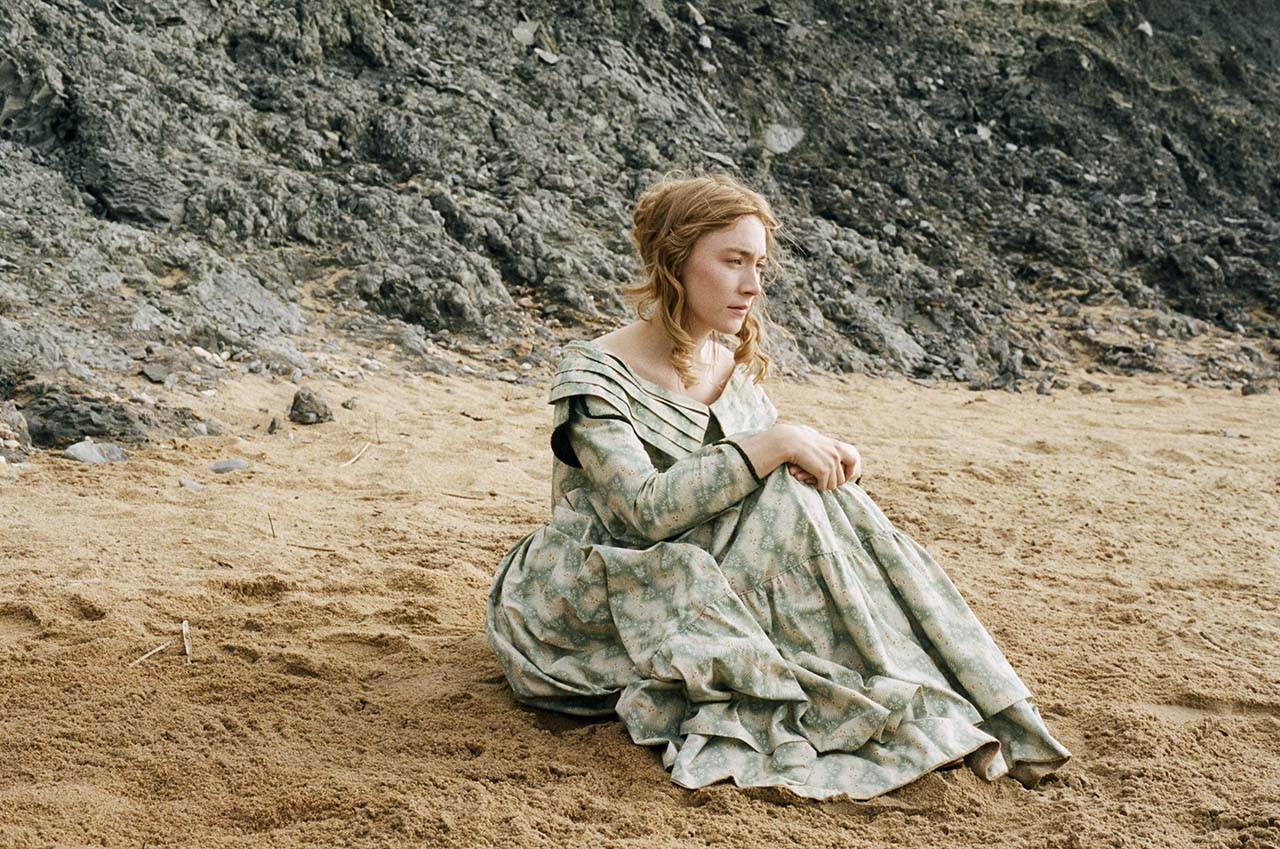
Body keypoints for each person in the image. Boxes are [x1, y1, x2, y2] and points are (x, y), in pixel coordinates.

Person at [484, 173, 1070, 800]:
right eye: (733, 261)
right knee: (789, 494)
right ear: (674, 261)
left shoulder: (728, 361)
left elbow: (758, 480)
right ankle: (897, 695)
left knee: (817, 497)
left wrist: (829, 460)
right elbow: (643, 511)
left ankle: (932, 695)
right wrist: (776, 443)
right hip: (609, 582)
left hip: (706, 557)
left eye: (759, 265)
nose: (753, 285)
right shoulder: (596, 373)